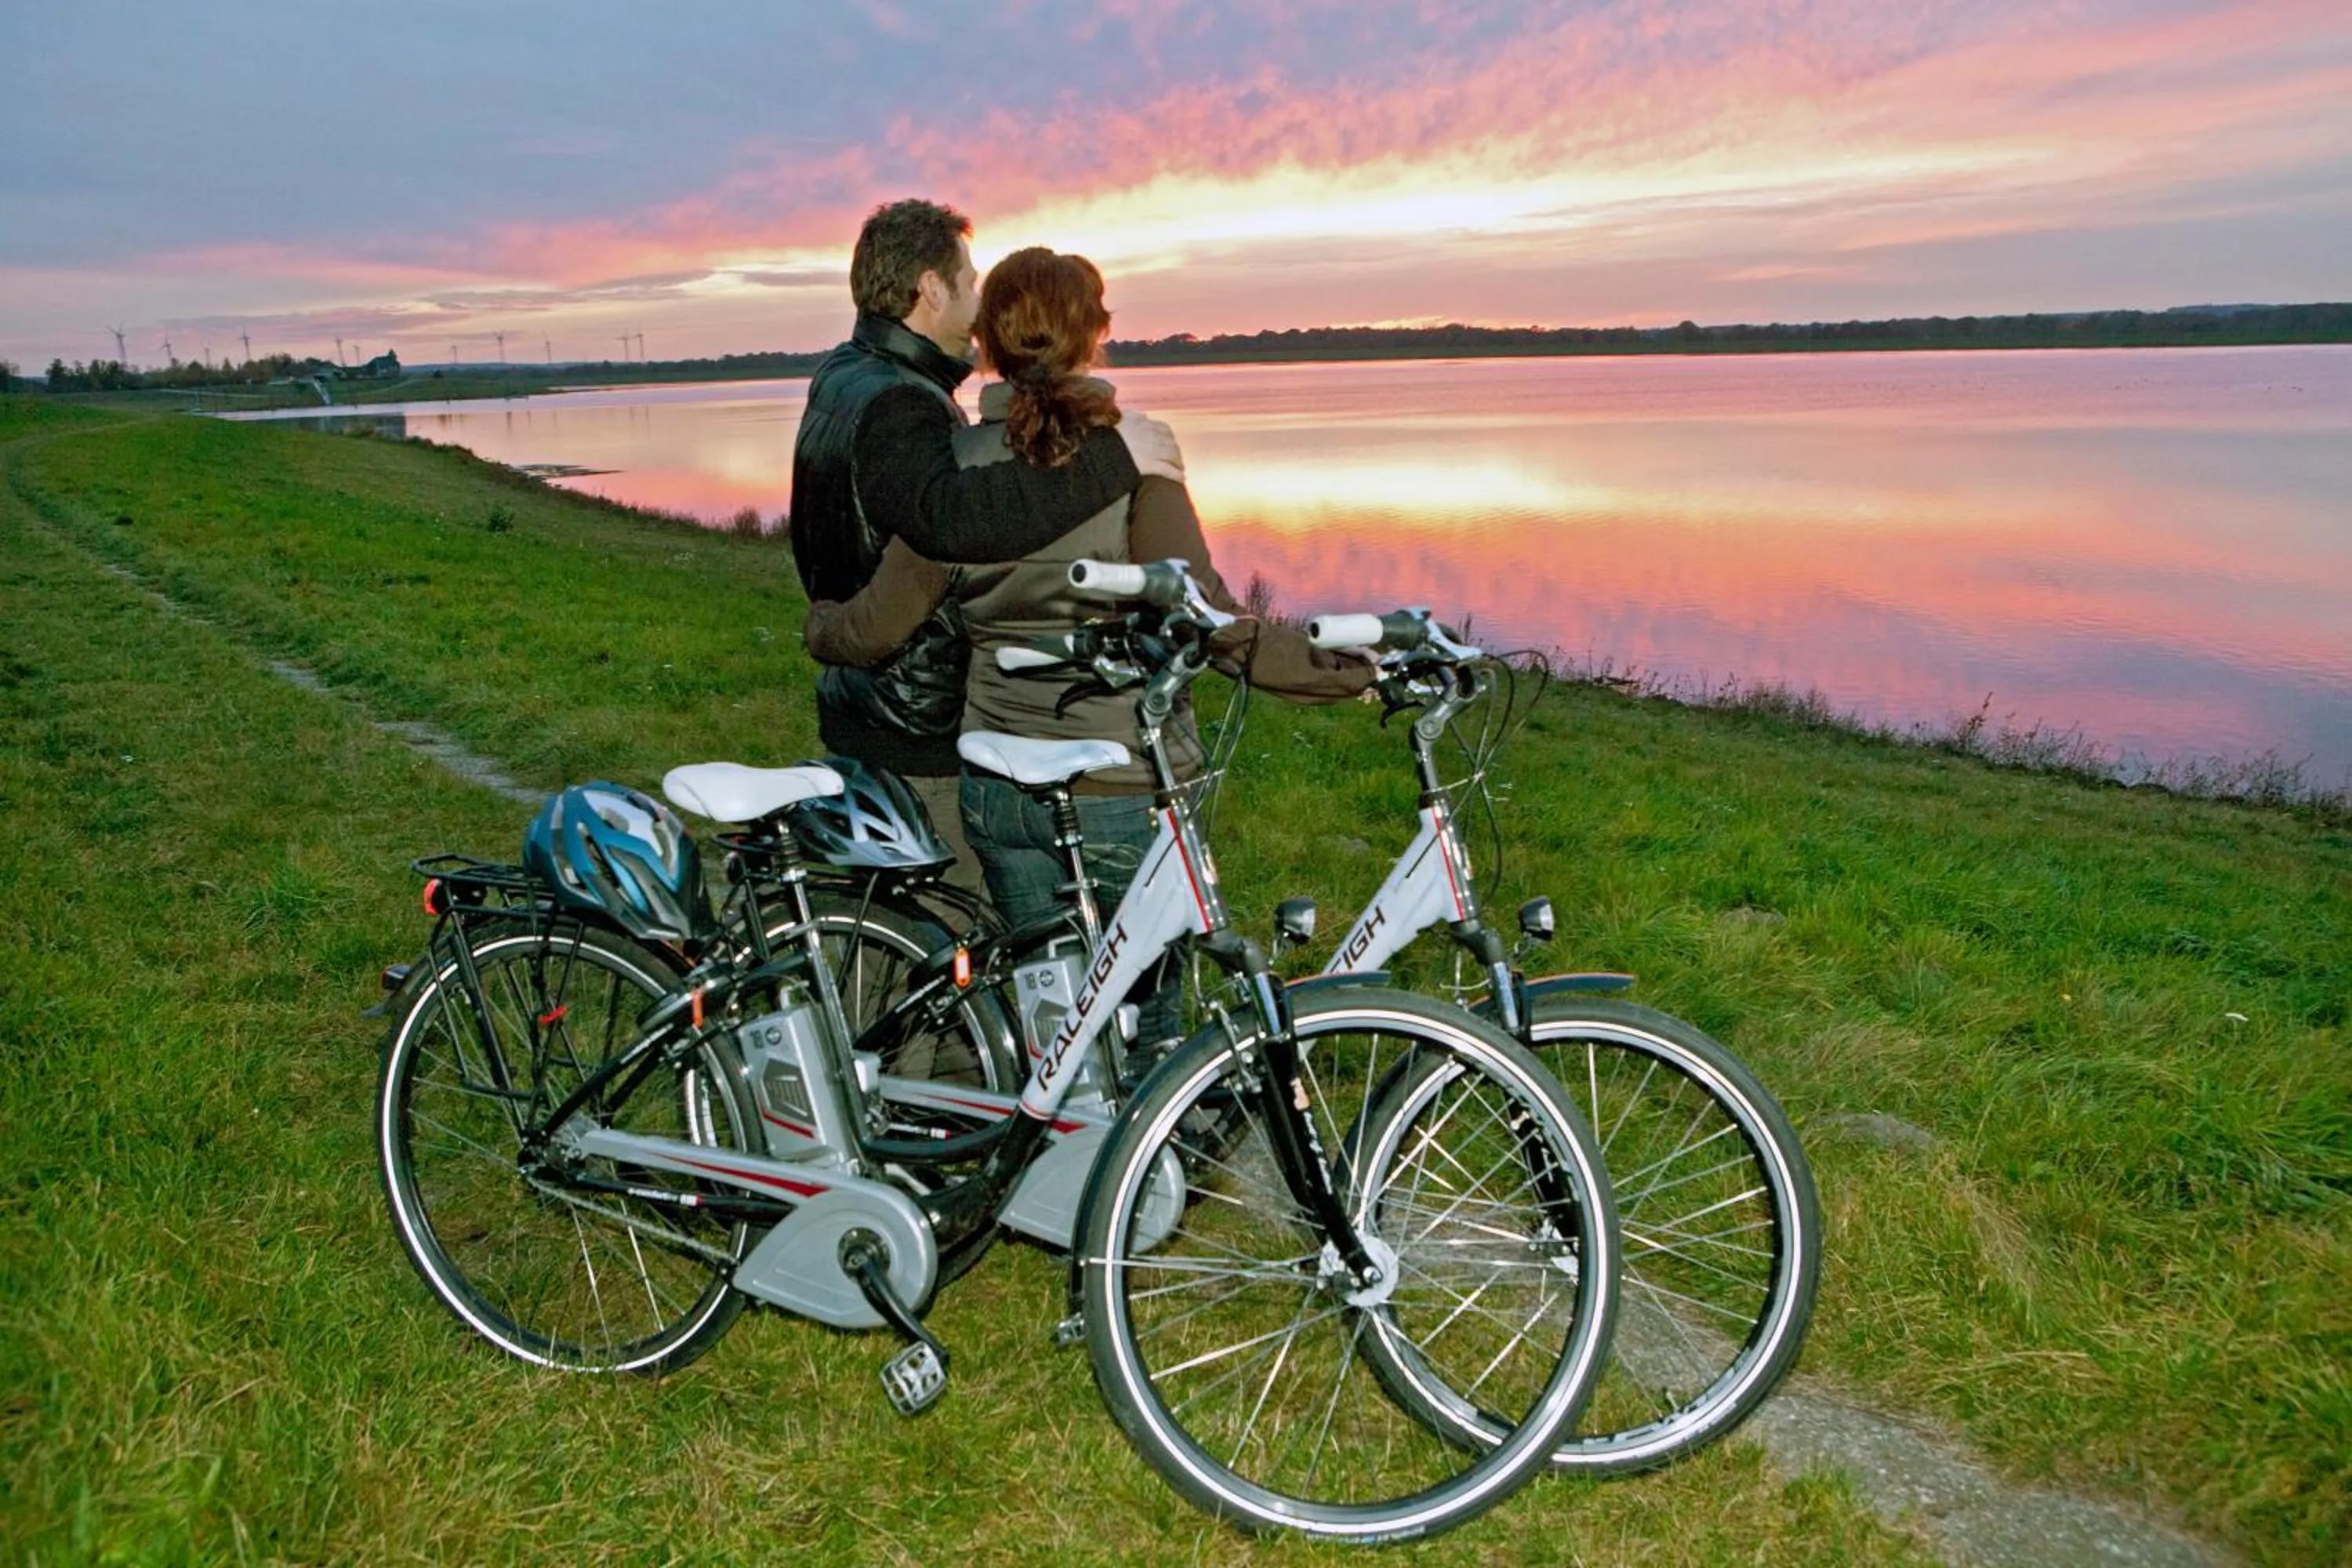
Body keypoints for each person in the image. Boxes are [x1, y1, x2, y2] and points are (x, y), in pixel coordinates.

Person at [803, 245, 1373, 1052]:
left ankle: (1059, 1159)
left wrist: (819, 623)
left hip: (997, 785)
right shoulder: (1134, 460)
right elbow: (1209, 621)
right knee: (1149, 1026)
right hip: (1118, 781)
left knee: (1054, 1018)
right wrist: (1348, 674)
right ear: (1095, 336)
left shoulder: (957, 468)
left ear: (992, 345)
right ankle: (1144, 1173)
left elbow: (877, 624)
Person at [788, 199, 1185, 889]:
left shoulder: (843, 375)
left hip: (868, 701)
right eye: (969, 280)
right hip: (918, 722)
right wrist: (1111, 461)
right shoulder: (899, 403)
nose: (978, 304)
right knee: (949, 942)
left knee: (893, 927)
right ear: (931, 288)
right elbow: (951, 522)